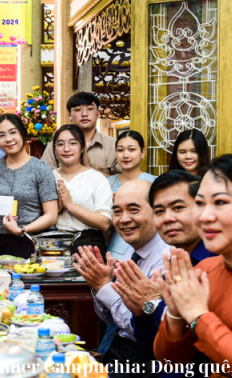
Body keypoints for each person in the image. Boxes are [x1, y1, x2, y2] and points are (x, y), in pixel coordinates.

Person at [154, 155, 232, 378]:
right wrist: (175, 314)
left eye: (220, 202)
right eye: (200, 203)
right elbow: (170, 362)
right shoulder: (204, 270)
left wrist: (197, 315)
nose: (204, 216)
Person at [112, 171, 214, 378]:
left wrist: (153, 304)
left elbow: (200, 352)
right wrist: (140, 313)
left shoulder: (216, 262)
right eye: (159, 211)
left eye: (178, 208)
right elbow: (160, 354)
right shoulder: (175, 262)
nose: (167, 218)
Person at [75, 180, 169, 378]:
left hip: (144, 359)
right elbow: (111, 318)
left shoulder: (165, 258)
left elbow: (141, 326)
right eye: (117, 212)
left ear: (157, 212)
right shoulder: (132, 250)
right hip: (115, 349)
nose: (124, 219)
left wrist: (104, 287)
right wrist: (102, 287)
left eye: (133, 210)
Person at [0, 114, 58, 258]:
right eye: (1, 135)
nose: (8, 139)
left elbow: (51, 215)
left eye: (13, 132)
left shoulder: (40, 168)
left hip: (30, 242)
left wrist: (22, 229)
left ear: (23, 134)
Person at [51, 124, 112, 256]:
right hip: (54, 243)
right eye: (60, 144)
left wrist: (70, 206)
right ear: (54, 149)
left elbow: (105, 222)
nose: (66, 149)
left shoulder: (96, 179)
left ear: (83, 148)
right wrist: (57, 208)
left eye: (73, 143)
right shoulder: (49, 177)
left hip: (88, 243)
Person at [41, 92, 119, 177]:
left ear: (98, 114)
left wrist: (88, 167)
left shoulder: (114, 145)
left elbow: (121, 182)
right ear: (70, 116)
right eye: (78, 110)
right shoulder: (55, 146)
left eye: (89, 109)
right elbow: (44, 178)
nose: (84, 114)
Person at [107, 131, 157, 260]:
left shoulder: (154, 182)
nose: (125, 155)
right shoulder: (107, 183)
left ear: (142, 152)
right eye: (120, 150)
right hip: (116, 250)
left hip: (150, 250)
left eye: (131, 149)